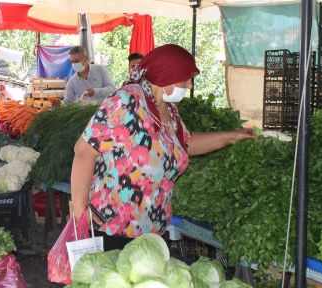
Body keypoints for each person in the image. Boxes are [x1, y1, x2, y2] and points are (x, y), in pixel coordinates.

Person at [70, 44, 255, 250]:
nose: (190, 85)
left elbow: (185, 143)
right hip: (112, 227)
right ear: (167, 74)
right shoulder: (127, 102)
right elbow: (83, 151)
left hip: (153, 230)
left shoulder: (168, 110)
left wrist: (231, 136)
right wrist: (80, 210)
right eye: (186, 78)